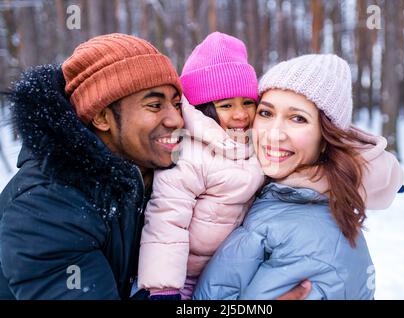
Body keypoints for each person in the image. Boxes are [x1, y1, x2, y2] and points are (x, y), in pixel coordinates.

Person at [0, 33, 311, 300]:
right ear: (102, 117)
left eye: (177, 104)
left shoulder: (141, 170)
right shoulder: (46, 210)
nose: (176, 120)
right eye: (154, 105)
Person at [193, 54, 404, 300]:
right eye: (266, 113)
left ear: (326, 138)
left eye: (297, 118)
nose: (273, 133)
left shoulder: (312, 238)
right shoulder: (271, 192)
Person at [138, 32, 265, 300]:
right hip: (184, 277)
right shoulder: (188, 152)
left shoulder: (256, 144)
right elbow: (166, 218)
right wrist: (164, 288)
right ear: (204, 109)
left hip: (231, 273)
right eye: (226, 105)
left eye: (248, 103)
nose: (240, 114)